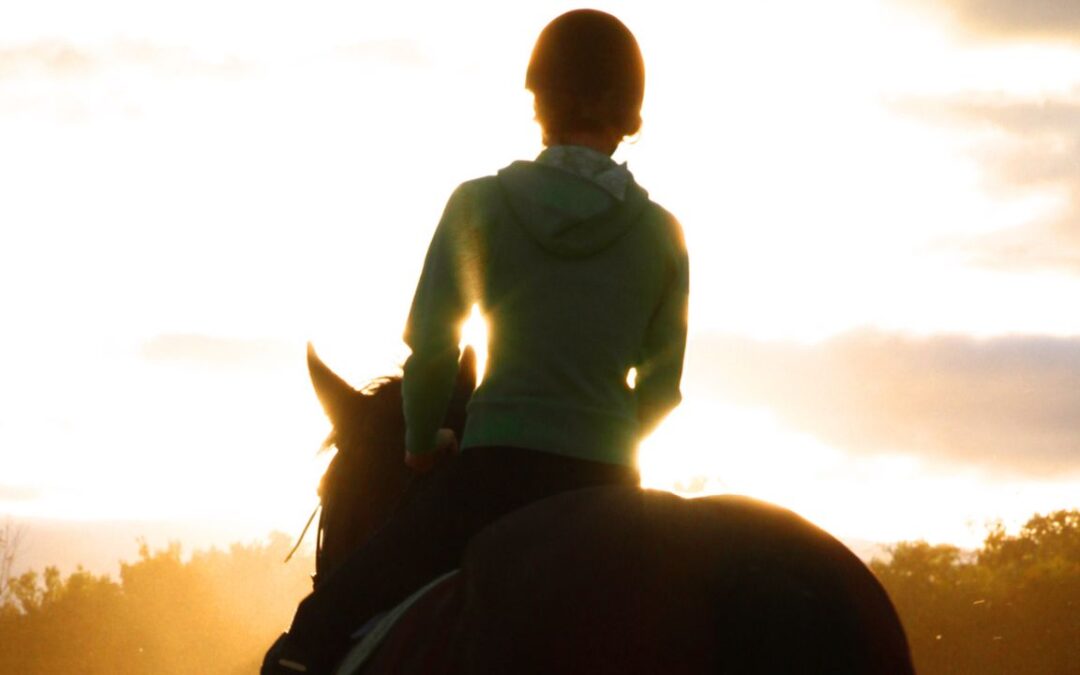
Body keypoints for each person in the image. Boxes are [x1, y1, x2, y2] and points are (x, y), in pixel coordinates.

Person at [263, 9, 688, 674]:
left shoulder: (480, 206)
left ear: (539, 100)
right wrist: (604, 443)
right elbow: (662, 390)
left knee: (314, 631)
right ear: (631, 112)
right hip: (610, 489)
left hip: (492, 477)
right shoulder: (664, 236)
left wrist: (422, 442)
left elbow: (432, 352)